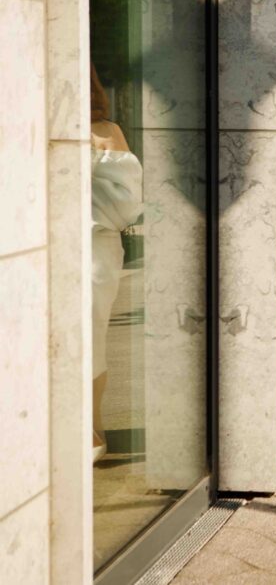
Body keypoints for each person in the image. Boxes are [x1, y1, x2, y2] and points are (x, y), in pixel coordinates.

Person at [90, 64, 144, 463]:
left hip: (94, 247)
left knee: (89, 336)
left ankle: (92, 427)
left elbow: (128, 204)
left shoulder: (108, 131)